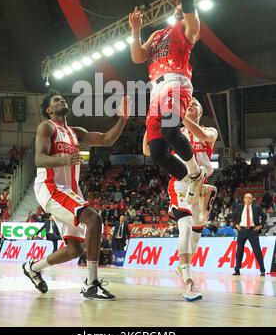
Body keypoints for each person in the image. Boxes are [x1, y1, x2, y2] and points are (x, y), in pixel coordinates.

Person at [22, 90, 130, 300]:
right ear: (49, 109)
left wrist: (123, 119)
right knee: (94, 218)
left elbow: (106, 139)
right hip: (50, 185)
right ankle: (91, 283)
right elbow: (40, 159)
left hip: (69, 189)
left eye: (62, 98)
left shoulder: (74, 131)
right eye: (56, 100)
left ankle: (33, 268)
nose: (61, 100)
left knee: (75, 249)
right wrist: (65, 161)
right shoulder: (47, 127)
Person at [130, 0, 207, 205]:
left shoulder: (189, 28)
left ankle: (196, 174)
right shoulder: (159, 34)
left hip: (176, 82)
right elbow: (138, 57)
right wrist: (136, 31)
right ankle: (190, 182)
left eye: (183, 8)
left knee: (173, 131)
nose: (180, 8)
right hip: (156, 89)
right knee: (157, 152)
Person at [143, 97, 218, 301]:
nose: (192, 103)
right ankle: (188, 281)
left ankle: (181, 266)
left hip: (202, 184)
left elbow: (202, 134)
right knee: (184, 228)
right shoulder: (175, 132)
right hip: (180, 182)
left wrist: (180, 114)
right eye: (189, 101)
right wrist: (150, 123)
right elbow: (147, 150)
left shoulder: (209, 131)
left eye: (196, 103)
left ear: (201, 112)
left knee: (196, 235)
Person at [233, 193, 267, 276]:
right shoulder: (239, 207)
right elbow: (233, 217)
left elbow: (264, 216)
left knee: (257, 251)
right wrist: (236, 225)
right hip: (242, 230)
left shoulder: (257, 207)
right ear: (244, 199)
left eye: (249, 198)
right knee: (239, 251)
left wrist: (260, 226)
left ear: (252, 200)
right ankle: (237, 270)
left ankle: (262, 270)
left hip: (252, 231)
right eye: (246, 198)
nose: (248, 199)